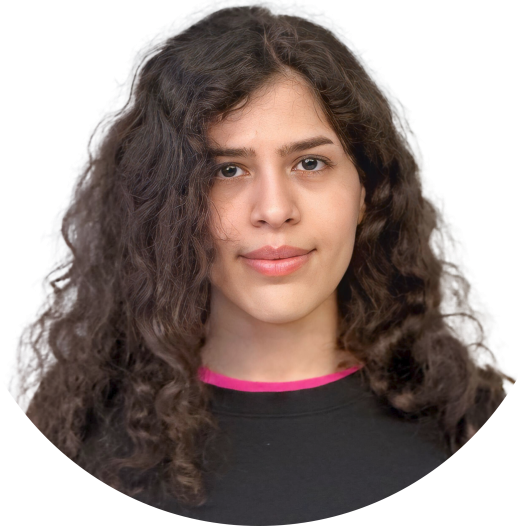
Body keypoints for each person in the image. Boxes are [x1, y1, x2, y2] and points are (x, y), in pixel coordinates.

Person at [10, 1, 516, 523]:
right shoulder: (83, 445)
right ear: (166, 204)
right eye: (227, 170)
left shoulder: (469, 422)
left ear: (368, 189)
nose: (274, 210)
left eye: (310, 163)